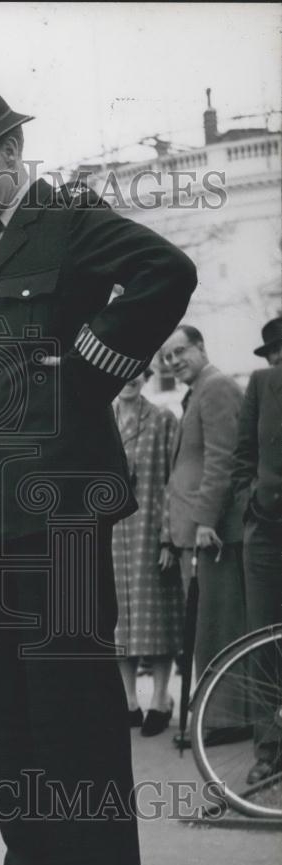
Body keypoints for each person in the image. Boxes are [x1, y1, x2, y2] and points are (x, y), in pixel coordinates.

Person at [0, 72, 197, 865]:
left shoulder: (69, 214)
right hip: (4, 500)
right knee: (13, 688)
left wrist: (83, 366)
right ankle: (35, 855)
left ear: (11, 148)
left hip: (69, 498)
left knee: (72, 685)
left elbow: (166, 271)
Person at [162, 326, 247, 734]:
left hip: (212, 533)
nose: (174, 361)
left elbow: (222, 461)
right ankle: (217, 716)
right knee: (207, 627)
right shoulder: (198, 392)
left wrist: (206, 522)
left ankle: (227, 720)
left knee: (219, 626)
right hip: (195, 531)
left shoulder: (216, 388)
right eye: (167, 357)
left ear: (201, 347)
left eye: (180, 352)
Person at [112, 371, 184, 736]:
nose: (129, 378)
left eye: (137, 370)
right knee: (118, 621)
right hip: (109, 534)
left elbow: (175, 479)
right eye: (121, 371)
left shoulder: (162, 420)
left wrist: (169, 538)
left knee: (156, 621)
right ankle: (128, 701)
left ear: (146, 375)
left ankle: (160, 699)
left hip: (150, 529)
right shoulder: (99, 419)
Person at [231, 317, 282, 784]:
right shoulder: (261, 387)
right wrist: (251, 499)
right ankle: (268, 750)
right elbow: (242, 452)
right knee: (262, 641)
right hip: (266, 532)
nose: (276, 361)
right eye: (273, 354)